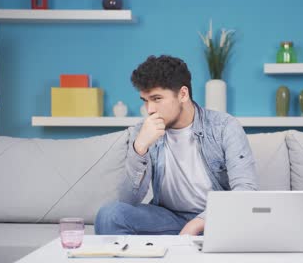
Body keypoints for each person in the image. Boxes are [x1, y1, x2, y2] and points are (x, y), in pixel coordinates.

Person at [95, 55, 258, 236]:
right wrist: (139, 148)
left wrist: (198, 223)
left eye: (157, 99)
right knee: (109, 215)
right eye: (145, 100)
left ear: (183, 94)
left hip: (217, 218)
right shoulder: (143, 131)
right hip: (168, 218)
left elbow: (245, 190)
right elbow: (127, 200)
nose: (149, 110)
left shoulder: (224, 127)